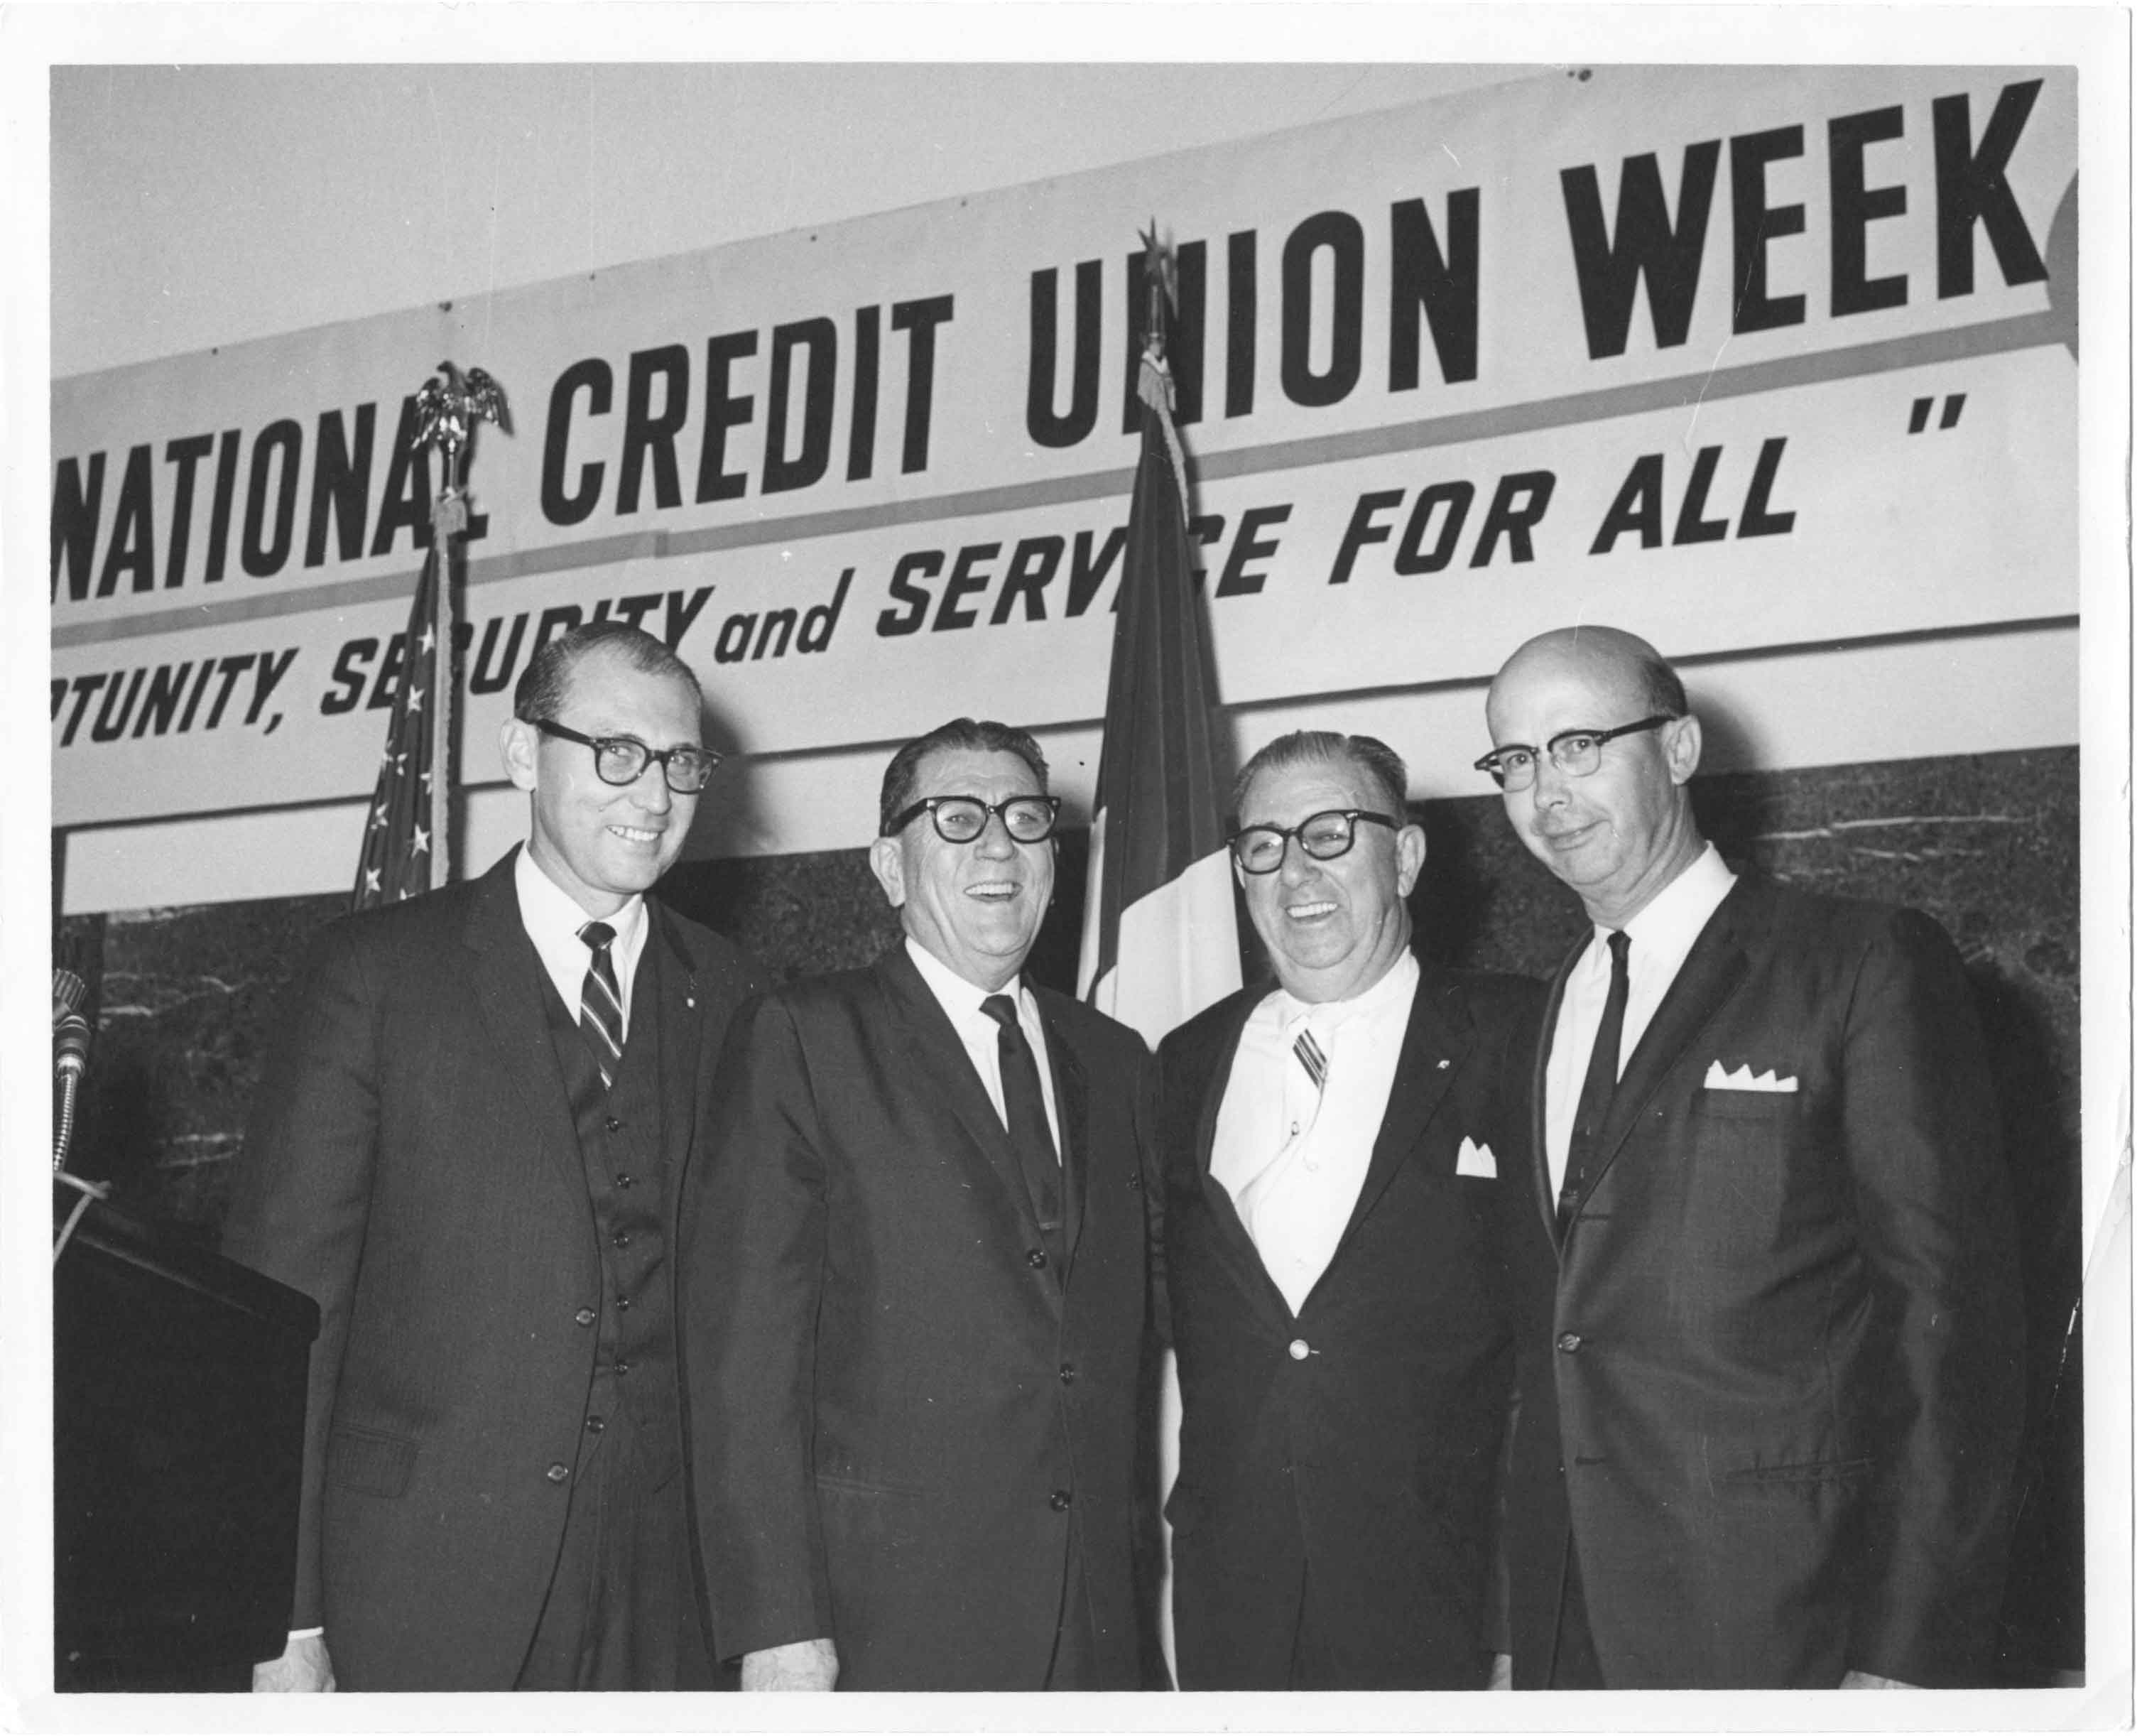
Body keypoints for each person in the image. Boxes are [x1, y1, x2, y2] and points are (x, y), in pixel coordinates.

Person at [1478, 624, 2024, 1690]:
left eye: (1580, 745)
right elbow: (1546, 1341)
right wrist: (1513, 1628)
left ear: (1679, 749)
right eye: (1514, 762)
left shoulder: (1858, 962)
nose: (1547, 792)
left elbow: (1950, 1326)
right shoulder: (1548, 1009)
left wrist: (1910, 1655)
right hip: (1568, 1630)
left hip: (1786, 1623)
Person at [221, 622, 760, 1691]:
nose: (653, 795)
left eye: (681, 762)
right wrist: (281, 1622)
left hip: (673, 1609)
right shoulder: (375, 977)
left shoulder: (742, 996)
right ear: (522, 755)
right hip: (424, 1592)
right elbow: (284, 1320)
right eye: (617, 753)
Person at [682, 718, 1163, 1691]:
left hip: (1098, 1627)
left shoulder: (1117, 1062)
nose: (998, 844)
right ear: (889, 868)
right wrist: (777, 1628)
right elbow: (744, 1364)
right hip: (888, 1628)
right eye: (956, 818)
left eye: (1026, 819)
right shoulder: (805, 1038)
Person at [1156, 730, 1541, 1689]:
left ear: (1404, 857)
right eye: (1264, 845)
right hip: (1233, 1613)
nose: (1295, 873)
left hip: (1446, 1609)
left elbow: (1561, 1357)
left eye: (1331, 834)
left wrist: (1515, 1620)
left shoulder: (1522, 1035)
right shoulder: (1184, 1061)